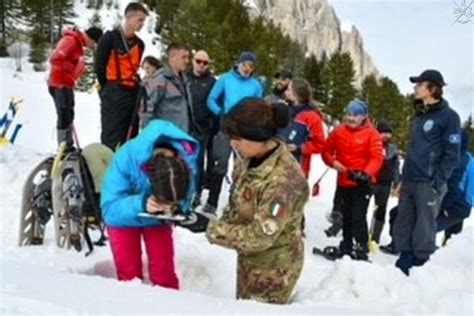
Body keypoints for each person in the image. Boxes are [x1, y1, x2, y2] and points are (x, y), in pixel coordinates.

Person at [206, 98, 309, 304]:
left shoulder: (283, 180)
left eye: (238, 138)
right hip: (249, 258)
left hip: (273, 269)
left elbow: (261, 236)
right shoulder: (250, 158)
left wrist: (213, 230)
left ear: (258, 137)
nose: (232, 143)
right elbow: (240, 199)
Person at [101, 120, 200, 289]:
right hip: (123, 219)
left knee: (164, 273)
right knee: (129, 276)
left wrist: (178, 208)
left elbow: (187, 195)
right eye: (164, 199)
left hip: (157, 221)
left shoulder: (186, 162)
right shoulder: (126, 159)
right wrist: (140, 204)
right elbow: (110, 210)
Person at [393, 69, 461, 275]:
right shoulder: (420, 116)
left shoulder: (449, 117)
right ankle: (404, 255)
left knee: (425, 223)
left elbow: (452, 153)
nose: (415, 87)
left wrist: (437, 181)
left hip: (429, 181)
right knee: (403, 219)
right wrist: (403, 179)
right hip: (411, 178)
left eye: (419, 84)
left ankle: (421, 261)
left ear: (432, 88)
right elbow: (414, 150)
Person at [322, 99, 384, 260]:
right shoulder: (338, 131)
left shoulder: (372, 134)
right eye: (349, 114)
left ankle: (362, 246)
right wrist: (333, 162)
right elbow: (326, 151)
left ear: (364, 116)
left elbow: (377, 158)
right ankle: (347, 244)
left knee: (358, 216)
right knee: (346, 215)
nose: (351, 118)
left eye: (355, 115)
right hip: (344, 181)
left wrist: (366, 173)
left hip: (362, 183)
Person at [204, 52, 264, 215]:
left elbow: (259, 108)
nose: (247, 68)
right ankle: (212, 202)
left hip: (244, 131)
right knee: (220, 163)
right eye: (244, 64)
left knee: (241, 168)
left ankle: (234, 206)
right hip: (226, 127)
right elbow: (211, 99)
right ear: (238, 64)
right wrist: (220, 113)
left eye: (251, 66)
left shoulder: (256, 85)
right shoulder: (225, 78)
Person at [95, 2, 148, 150]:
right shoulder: (109, 39)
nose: (142, 24)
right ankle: (108, 168)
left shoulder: (140, 44)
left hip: (132, 94)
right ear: (128, 17)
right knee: (111, 136)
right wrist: (108, 89)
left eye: (143, 21)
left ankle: (127, 169)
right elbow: (99, 67)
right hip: (114, 92)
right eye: (140, 20)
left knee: (131, 135)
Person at [48, 26, 103, 150]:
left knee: (69, 113)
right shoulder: (71, 41)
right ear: (90, 37)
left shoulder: (78, 44)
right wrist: (69, 72)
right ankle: (62, 146)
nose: (93, 45)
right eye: (94, 42)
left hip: (66, 83)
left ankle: (68, 144)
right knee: (63, 113)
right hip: (59, 83)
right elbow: (55, 59)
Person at [141, 43, 194, 133]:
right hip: (165, 136)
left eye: (188, 57)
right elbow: (146, 108)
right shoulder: (159, 79)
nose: (187, 61)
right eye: (183, 57)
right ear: (172, 57)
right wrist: (150, 133)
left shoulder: (185, 81)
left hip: (182, 135)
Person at [279, 77, 326, 178]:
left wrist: (298, 148)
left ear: (296, 94)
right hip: (278, 166)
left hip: (297, 169)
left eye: (289, 90)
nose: (286, 92)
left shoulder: (311, 117)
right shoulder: (285, 108)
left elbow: (320, 144)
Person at [187, 50, 216, 199]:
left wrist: (213, 129)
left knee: (197, 163)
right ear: (193, 61)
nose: (201, 65)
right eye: (198, 61)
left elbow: (216, 105)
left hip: (202, 128)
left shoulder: (212, 82)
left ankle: (195, 194)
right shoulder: (184, 78)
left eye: (205, 63)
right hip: (184, 126)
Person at [368, 120, 400, 245]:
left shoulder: (392, 149)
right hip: (370, 181)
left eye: (389, 133)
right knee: (361, 207)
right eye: (384, 133)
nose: (386, 136)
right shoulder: (372, 144)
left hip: (385, 184)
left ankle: (375, 237)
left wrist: (397, 183)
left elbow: (396, 167)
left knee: (381, 211)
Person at [139, 55, 163, 130]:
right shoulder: (146, 81)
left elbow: (151, 101)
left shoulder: (159, 80)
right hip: (148, 120)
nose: (146, 71)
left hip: (154, 119)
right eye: (145, 68)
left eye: (148, 68)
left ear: (154, 66)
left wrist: (145, 118)